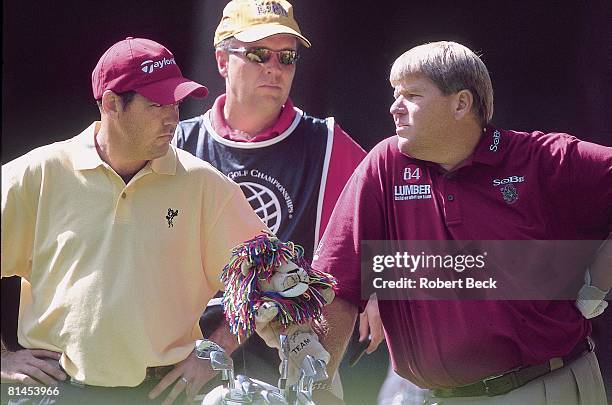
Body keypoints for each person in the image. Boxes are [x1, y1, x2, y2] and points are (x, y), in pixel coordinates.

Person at [311, 41, 611, 404]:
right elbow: (337, 284)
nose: (394, 107)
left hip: (548, 384)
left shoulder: (542, 159)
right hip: (435, 397)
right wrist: (317, 384)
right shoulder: (383, 166)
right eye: (395, 94)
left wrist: (598, 281)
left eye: (411, 94)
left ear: (461, 104)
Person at [0, 37, 275, 405]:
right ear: (111, 104)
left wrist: (216, 350)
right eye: (157, 104)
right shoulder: (38, 173)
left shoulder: (206, 186)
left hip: (160, 394)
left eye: (176, 103)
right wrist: (3, 358)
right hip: (53, 391)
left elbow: (272, 277)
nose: (173, 117)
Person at [172, 0, 384, 396]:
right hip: (184, 361)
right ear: (221, 60)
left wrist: (383, 288)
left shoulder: (327, 142)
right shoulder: (176, 144)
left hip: (296, 362)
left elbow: (395, 212)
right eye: (257, 54)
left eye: (287, 57)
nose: (275, 67)